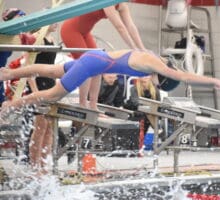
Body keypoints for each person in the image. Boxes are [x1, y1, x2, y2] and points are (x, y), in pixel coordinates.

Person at [0, 49, 220, 118]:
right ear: (163, 77)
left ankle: (6, 74)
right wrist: (215, 81)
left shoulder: (152, 58)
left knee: (52, 70)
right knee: (53, 94)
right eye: (157, 83)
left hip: (96, 59)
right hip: (94, 64)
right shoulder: (156, 65)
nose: (151, 82)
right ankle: (10, 105)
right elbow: (185, 76)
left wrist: (91, 105)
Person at [60, 2, 146, 111]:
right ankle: (82, 104)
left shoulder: (123, 5)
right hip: (71, 30)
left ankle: (93, 105)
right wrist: (134, 48)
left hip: (85, 33)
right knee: (87, 67)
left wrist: (142, 49)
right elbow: (120, 27)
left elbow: (131, 26)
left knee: (98, 67)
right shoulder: (108, 2)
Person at [26, 23, 59, 173]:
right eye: (55, 21)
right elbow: (28, 67)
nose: (57, 24)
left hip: (51, 85)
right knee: (39, 129)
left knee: (49, 129)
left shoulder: (52, 39)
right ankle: (35, 167)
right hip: (38, 85)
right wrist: (34, 92)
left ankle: (45, 166)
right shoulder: (35, 38)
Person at [0, 8, 35, 106]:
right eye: (21, 16)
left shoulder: (16, 36)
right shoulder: (3, 34)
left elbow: (33, 42)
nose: (23, 19)